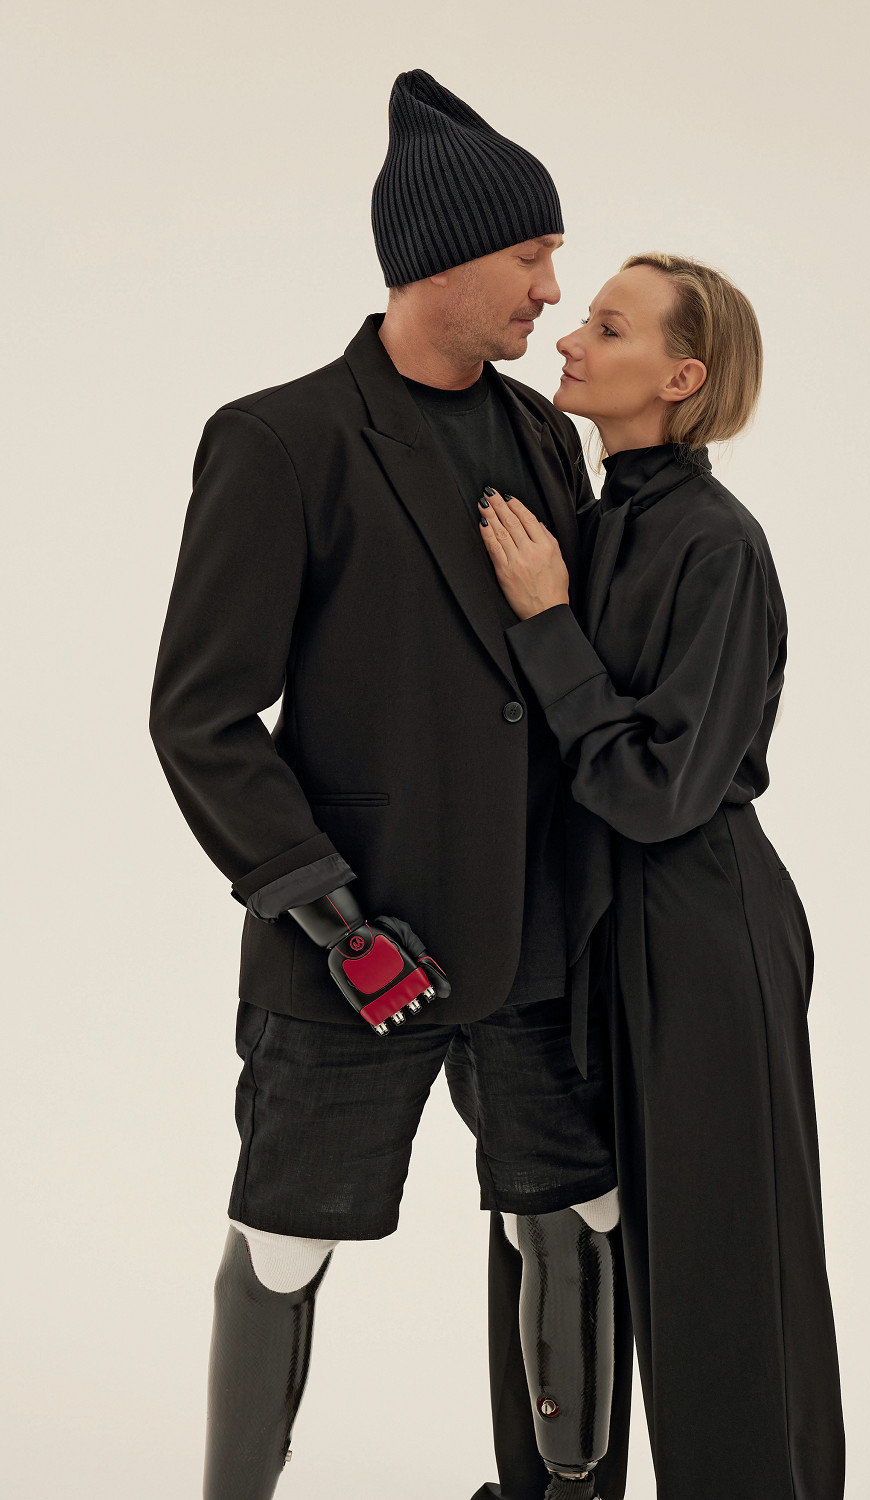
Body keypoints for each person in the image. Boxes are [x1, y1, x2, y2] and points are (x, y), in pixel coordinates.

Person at [149, 69, 631, 1500]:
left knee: (578, 1219)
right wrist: (329, 915)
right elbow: (202, 715)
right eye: (531, 254)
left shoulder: (543, 436)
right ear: (442, 256)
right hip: (359, 952)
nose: (554, 289)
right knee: (285, 1245)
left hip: (536, 941)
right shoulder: (280, 439)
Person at [476, 253, 846, 1499]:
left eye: (609, 326)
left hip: (700, 928)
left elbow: (658, 790)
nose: (570, 338)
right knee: (553, 1236)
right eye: (583, 317)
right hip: (579, 925)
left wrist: (548, 624)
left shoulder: (717, 547)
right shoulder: (581, 524)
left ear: (680, 379)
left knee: (718, 1263)